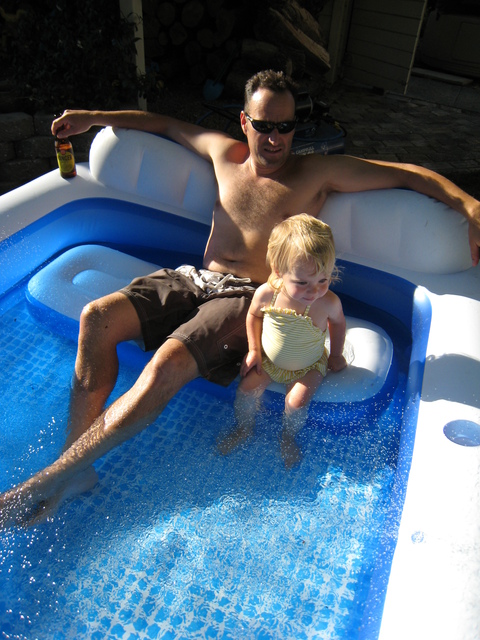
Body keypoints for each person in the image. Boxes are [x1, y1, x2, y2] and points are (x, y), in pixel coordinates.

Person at [1, 69, 479, 528]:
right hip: (194, 278)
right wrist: (91, 117)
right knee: (96, 317)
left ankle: (47, 480)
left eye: (285, 127)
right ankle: (74, 468)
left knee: (164, 367)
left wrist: (471, 205)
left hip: (249, 296)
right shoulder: (224, 155)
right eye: (265, 126)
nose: (275, 139)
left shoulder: (316, 173)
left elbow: (408, 174)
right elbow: (162, 124)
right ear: (245, 122)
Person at [217, 214, 347, 468]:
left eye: (323, 280)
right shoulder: (268, 294)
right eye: (302, 282)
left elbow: (339, 323)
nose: (314, 290)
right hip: (269, 361)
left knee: (295, 404)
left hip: (308, 366)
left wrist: (335, 354)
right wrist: (254, 351)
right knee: (245, 392)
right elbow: (254, 315)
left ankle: (288, 437)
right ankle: (244, 429)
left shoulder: (328, 303)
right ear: (279, 271)